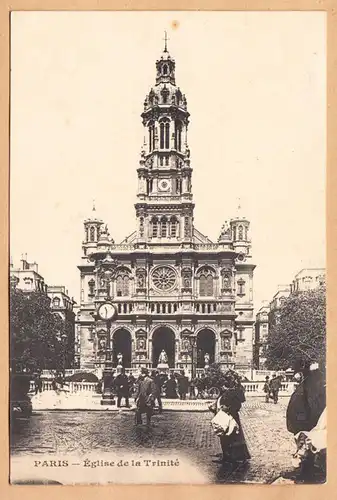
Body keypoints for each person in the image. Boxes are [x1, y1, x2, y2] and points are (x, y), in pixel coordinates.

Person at [209, 370, 250, 464]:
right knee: (230, 435)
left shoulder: (236, 391)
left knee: (229, 435)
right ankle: (231, 455)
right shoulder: (231, 390)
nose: (225, 382)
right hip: (228, 415)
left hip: (230, 415)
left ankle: (230, 456)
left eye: (228, 379)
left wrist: (228, 408)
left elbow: (238, 404)